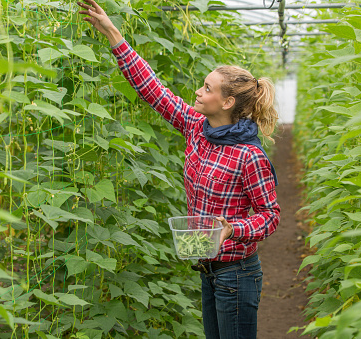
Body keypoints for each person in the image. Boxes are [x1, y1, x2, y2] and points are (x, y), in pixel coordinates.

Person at [78, 1, 281, 338]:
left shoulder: (250, 156)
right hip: (207, 268)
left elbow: (270, 215)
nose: (198, 92)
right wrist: (113, 33)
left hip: (237, 273)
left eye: (207, 88)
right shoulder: (196, 127)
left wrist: (232, 229)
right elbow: (153, 91)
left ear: (227, 103)